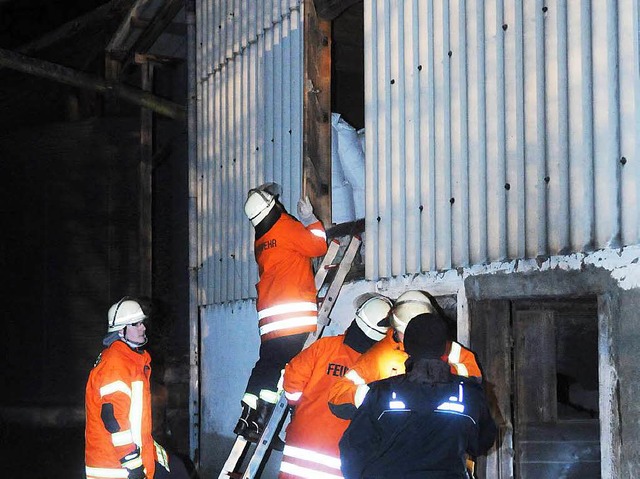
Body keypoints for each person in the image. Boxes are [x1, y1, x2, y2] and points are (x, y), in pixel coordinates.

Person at [339, 313, 497, 478]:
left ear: (406, 347)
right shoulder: (468, 394)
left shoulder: (381, 392)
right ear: (446, 347)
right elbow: (481, 443)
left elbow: (353, 448)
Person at [234, 182, 328, 441]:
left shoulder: (261, 241)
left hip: (270, 318)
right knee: (280, 372)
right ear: (272, 207)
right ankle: (263, 425)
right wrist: (310, 219)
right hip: (293, 318)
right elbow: (318, 247)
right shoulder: (285, 225)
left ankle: (247, 420)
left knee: (265, 366)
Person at [279, 294, 394, 479]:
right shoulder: (382, 364)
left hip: (302, 447)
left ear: (357, 318)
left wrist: (297, 407)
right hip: (345, 456)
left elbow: (292, 382)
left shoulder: (324, 347)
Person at [328, 290, 482, 420]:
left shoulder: (447, 348)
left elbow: (473, 375)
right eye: (406, 334)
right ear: (395, 328)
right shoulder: (379, 355)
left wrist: (439, 375)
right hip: (399, 445)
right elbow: (337, 395)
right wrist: (378, 395)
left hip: (439, 441)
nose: (414, 339)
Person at [85, 297, 190, 479]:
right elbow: (114, 420)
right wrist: (132, 464)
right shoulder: (116, 363)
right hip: (116, 466)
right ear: (120, 331)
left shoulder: (131, 360)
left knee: (178, 470)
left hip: (137, 454)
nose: (143, 328)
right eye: (136, 324)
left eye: (142, 323)